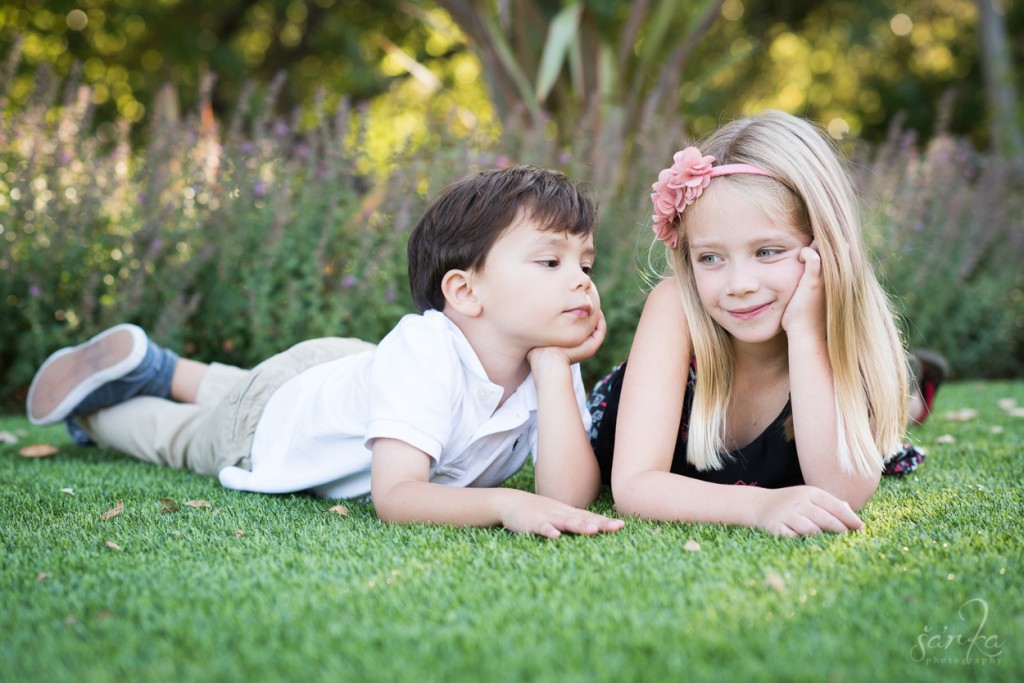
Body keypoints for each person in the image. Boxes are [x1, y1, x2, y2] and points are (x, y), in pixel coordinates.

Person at [27, 165, 624, 539]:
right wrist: (505, 504)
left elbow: (566, 500)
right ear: (464, 291)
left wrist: (552, 368)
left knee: (247, 386)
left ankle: (158, 366)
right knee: (191, 437)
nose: (580, 280)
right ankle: (99, 412)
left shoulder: (544, 356)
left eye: (585, 263)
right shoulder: (425, 352)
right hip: (270, 420)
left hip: (343, 374)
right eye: (551, 261)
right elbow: (397, 497)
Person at [587, 110, 942, 538]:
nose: (739, 285)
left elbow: (841, 493)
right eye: (710, 258)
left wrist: (806, 331)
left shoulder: (842, 336)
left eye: (768, 251)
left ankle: (912, 394)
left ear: (823, 246)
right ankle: (914, 394)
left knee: (885, 429)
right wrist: (762, 505)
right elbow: (636, 486)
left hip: (829, 354)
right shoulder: (677, 307)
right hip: (629, 411)